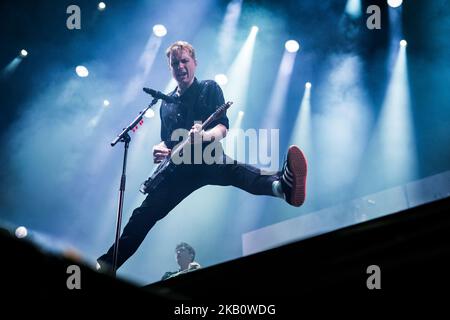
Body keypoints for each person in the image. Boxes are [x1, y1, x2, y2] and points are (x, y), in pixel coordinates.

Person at [97, 41, 307, 272]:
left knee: (239, 172)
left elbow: (223, 128)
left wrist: (204, 135)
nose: (180, 66)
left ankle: (282, 187)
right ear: (170, 68)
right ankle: (108, 264)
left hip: (208, 157)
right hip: (177, 170)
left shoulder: (209, 88)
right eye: (174, 63)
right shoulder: (165, 104)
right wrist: (160, 149)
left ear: (194, 63)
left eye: (184, 61)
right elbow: (168, 140)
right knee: (142, 216)